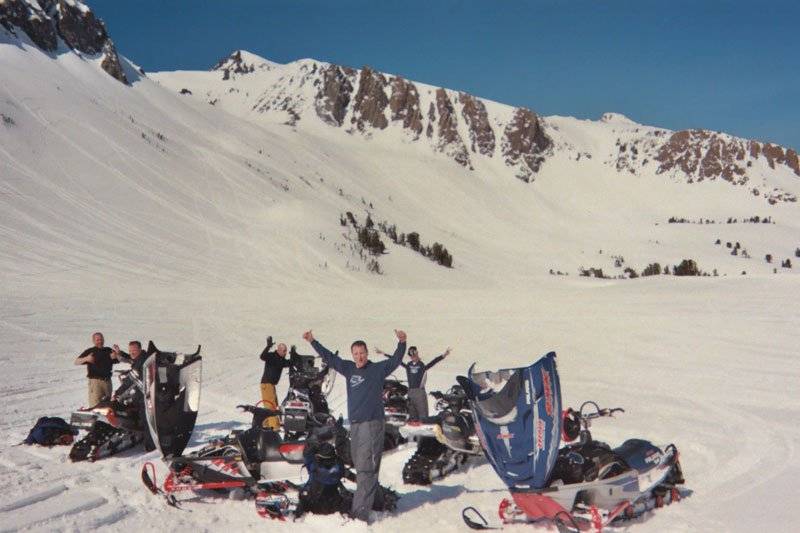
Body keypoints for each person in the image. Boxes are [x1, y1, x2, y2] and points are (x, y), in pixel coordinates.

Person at [303, 328, 406, 523]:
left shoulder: (377, 369)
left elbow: (395, 361)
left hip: (372, 423)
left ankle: (359, 516)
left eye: (362, 353)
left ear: (367, 353)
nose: (359, 357)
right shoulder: (349, 368)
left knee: (366, 468)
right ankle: (377, 501)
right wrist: (312, 341)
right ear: (353, 355)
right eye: (356, 354)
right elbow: (330, 358)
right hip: (356, 425)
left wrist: (402, 343)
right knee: (362, 465)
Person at [378, 345, 451, 421]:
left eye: (414, 355)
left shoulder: (422, 365)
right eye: (411, 356)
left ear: (417, 354)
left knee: (423, 417)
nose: (413, 357)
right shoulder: (408, 365)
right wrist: (384, 353)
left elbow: (433, 362)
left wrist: (444, 355)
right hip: (410, 392)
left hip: (419, 392)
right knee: (412, 416)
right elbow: (397, 360)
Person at [74, 332, 120, 407]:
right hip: (95, 383)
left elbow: (119, 359)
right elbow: (76, 362)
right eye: (97, 340)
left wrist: (117, 354)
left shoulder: (108, 350)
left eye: (101, 339)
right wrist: (86, 358)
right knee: (95, 406)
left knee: (107, 406)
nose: (100, 341)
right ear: (93, 341)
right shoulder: (90, 351)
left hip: (107, 382)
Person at [259, 336, 294, 430]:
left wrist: (295, 356)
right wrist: (268, 346)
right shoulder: (271, 356)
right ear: (278, 350)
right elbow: (262, 356)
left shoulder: (281, 359)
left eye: (286, 351)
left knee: (273, 405)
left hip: (271, 385)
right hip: (267, 384)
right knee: (271, 406)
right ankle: (274, 427)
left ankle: (265, 425)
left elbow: (288, 363)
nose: (285, 353)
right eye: (284, 351)